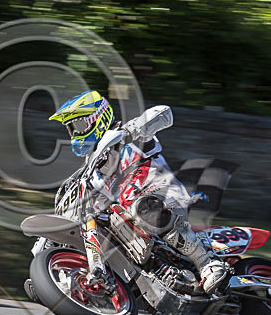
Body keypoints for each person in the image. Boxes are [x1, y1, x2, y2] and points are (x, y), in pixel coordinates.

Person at [48, 90, 228, 294]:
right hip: (135, 224)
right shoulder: (94, 169)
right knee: (100, 224)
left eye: (78, 126)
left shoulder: (128, 136)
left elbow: (165, 113)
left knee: (142, 207)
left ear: (99, 118)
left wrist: (133, 129)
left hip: (165, 199)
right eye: (71, 129)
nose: (75, 134)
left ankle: (208, 263)